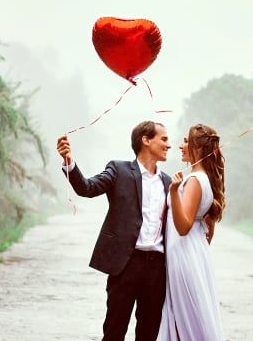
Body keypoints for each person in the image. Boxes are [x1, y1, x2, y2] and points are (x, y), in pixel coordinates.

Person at [55, 120, 172, 341]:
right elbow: (87, 188)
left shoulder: (169, 182)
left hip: (157, 268)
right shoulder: (119, 170)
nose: (169, 145)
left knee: (149, 333)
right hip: (125, 265)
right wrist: (68, 162)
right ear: (146, 140)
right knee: (114, 331)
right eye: (164, 139)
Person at [159, 123, 226, 341]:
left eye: (186, 141)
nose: (180, 145)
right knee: (190, 314)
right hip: (193, 253)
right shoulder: (205, 179)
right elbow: (208, 231)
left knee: (183, 316)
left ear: (198, 147)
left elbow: (183, 226)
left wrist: (174, 192)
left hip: (183, 254)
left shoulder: (195, 181)